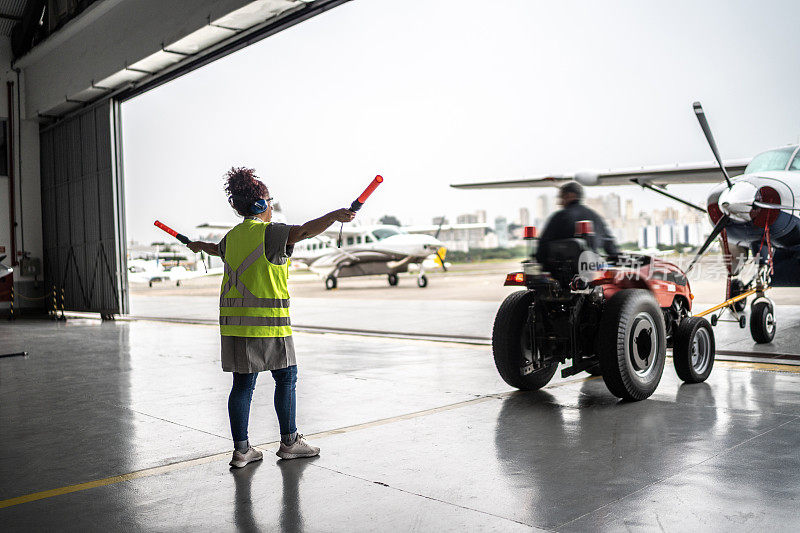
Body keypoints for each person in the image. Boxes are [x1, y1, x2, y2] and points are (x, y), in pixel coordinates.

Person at [188, 167, 355, 468]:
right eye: (269, 200)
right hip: (269, 323)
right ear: (260, 205)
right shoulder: (271, 232)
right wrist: (334, 216)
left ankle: (242, 451)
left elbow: (215, 249)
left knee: (242, 385)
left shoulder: (231, 237)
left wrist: (198, 246)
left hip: (235, 327)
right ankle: (290, 442)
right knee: (286, 377)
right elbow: (303, 231)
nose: (271, 206)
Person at [535, 181, 619, 264]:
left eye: (561, 197)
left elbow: (542, 247)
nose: (559, 202)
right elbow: (610, 244)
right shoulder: (595, 216)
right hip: (593, 270)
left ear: (570, 195)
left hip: (563, 273)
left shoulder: (559, 217)